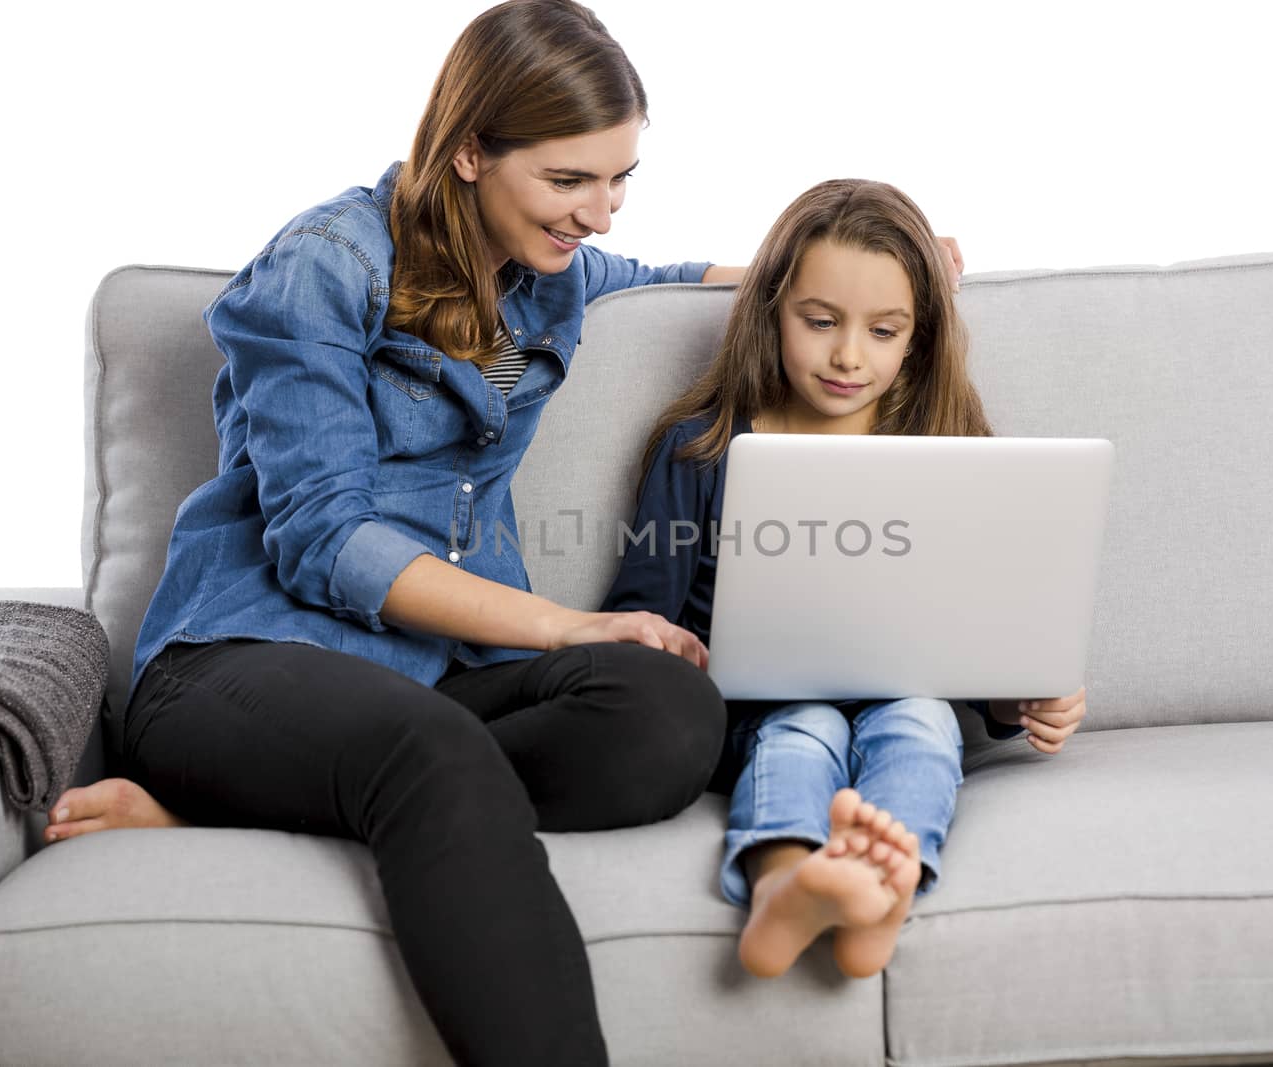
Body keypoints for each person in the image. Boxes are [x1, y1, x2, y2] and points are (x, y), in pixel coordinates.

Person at [39, 2, 798, 1064]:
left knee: (669, 713)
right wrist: (567, 625)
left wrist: (849, 259)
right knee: (434, 748)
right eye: (571, 180)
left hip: (430, 676)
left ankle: (214, 813)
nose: (602, 214)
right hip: (248, 657)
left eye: (621, 178)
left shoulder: (550, 273)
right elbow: (324, 539)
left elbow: (677, 277)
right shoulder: (320, 264)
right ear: (471, 150)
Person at [599, 178, 1088, 982]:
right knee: (809, 725)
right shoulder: (702, 448)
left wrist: (1022, 697)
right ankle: (785, 884)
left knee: (924, 722)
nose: (848, 354)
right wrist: (669, 654)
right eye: (819, 321)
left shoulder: (948, 446)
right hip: (754, 714)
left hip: (912, 698)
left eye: (883, 330)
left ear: (917, 340)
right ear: (771, 312)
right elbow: (637, 615)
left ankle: (877, 895)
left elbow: (977, 637)